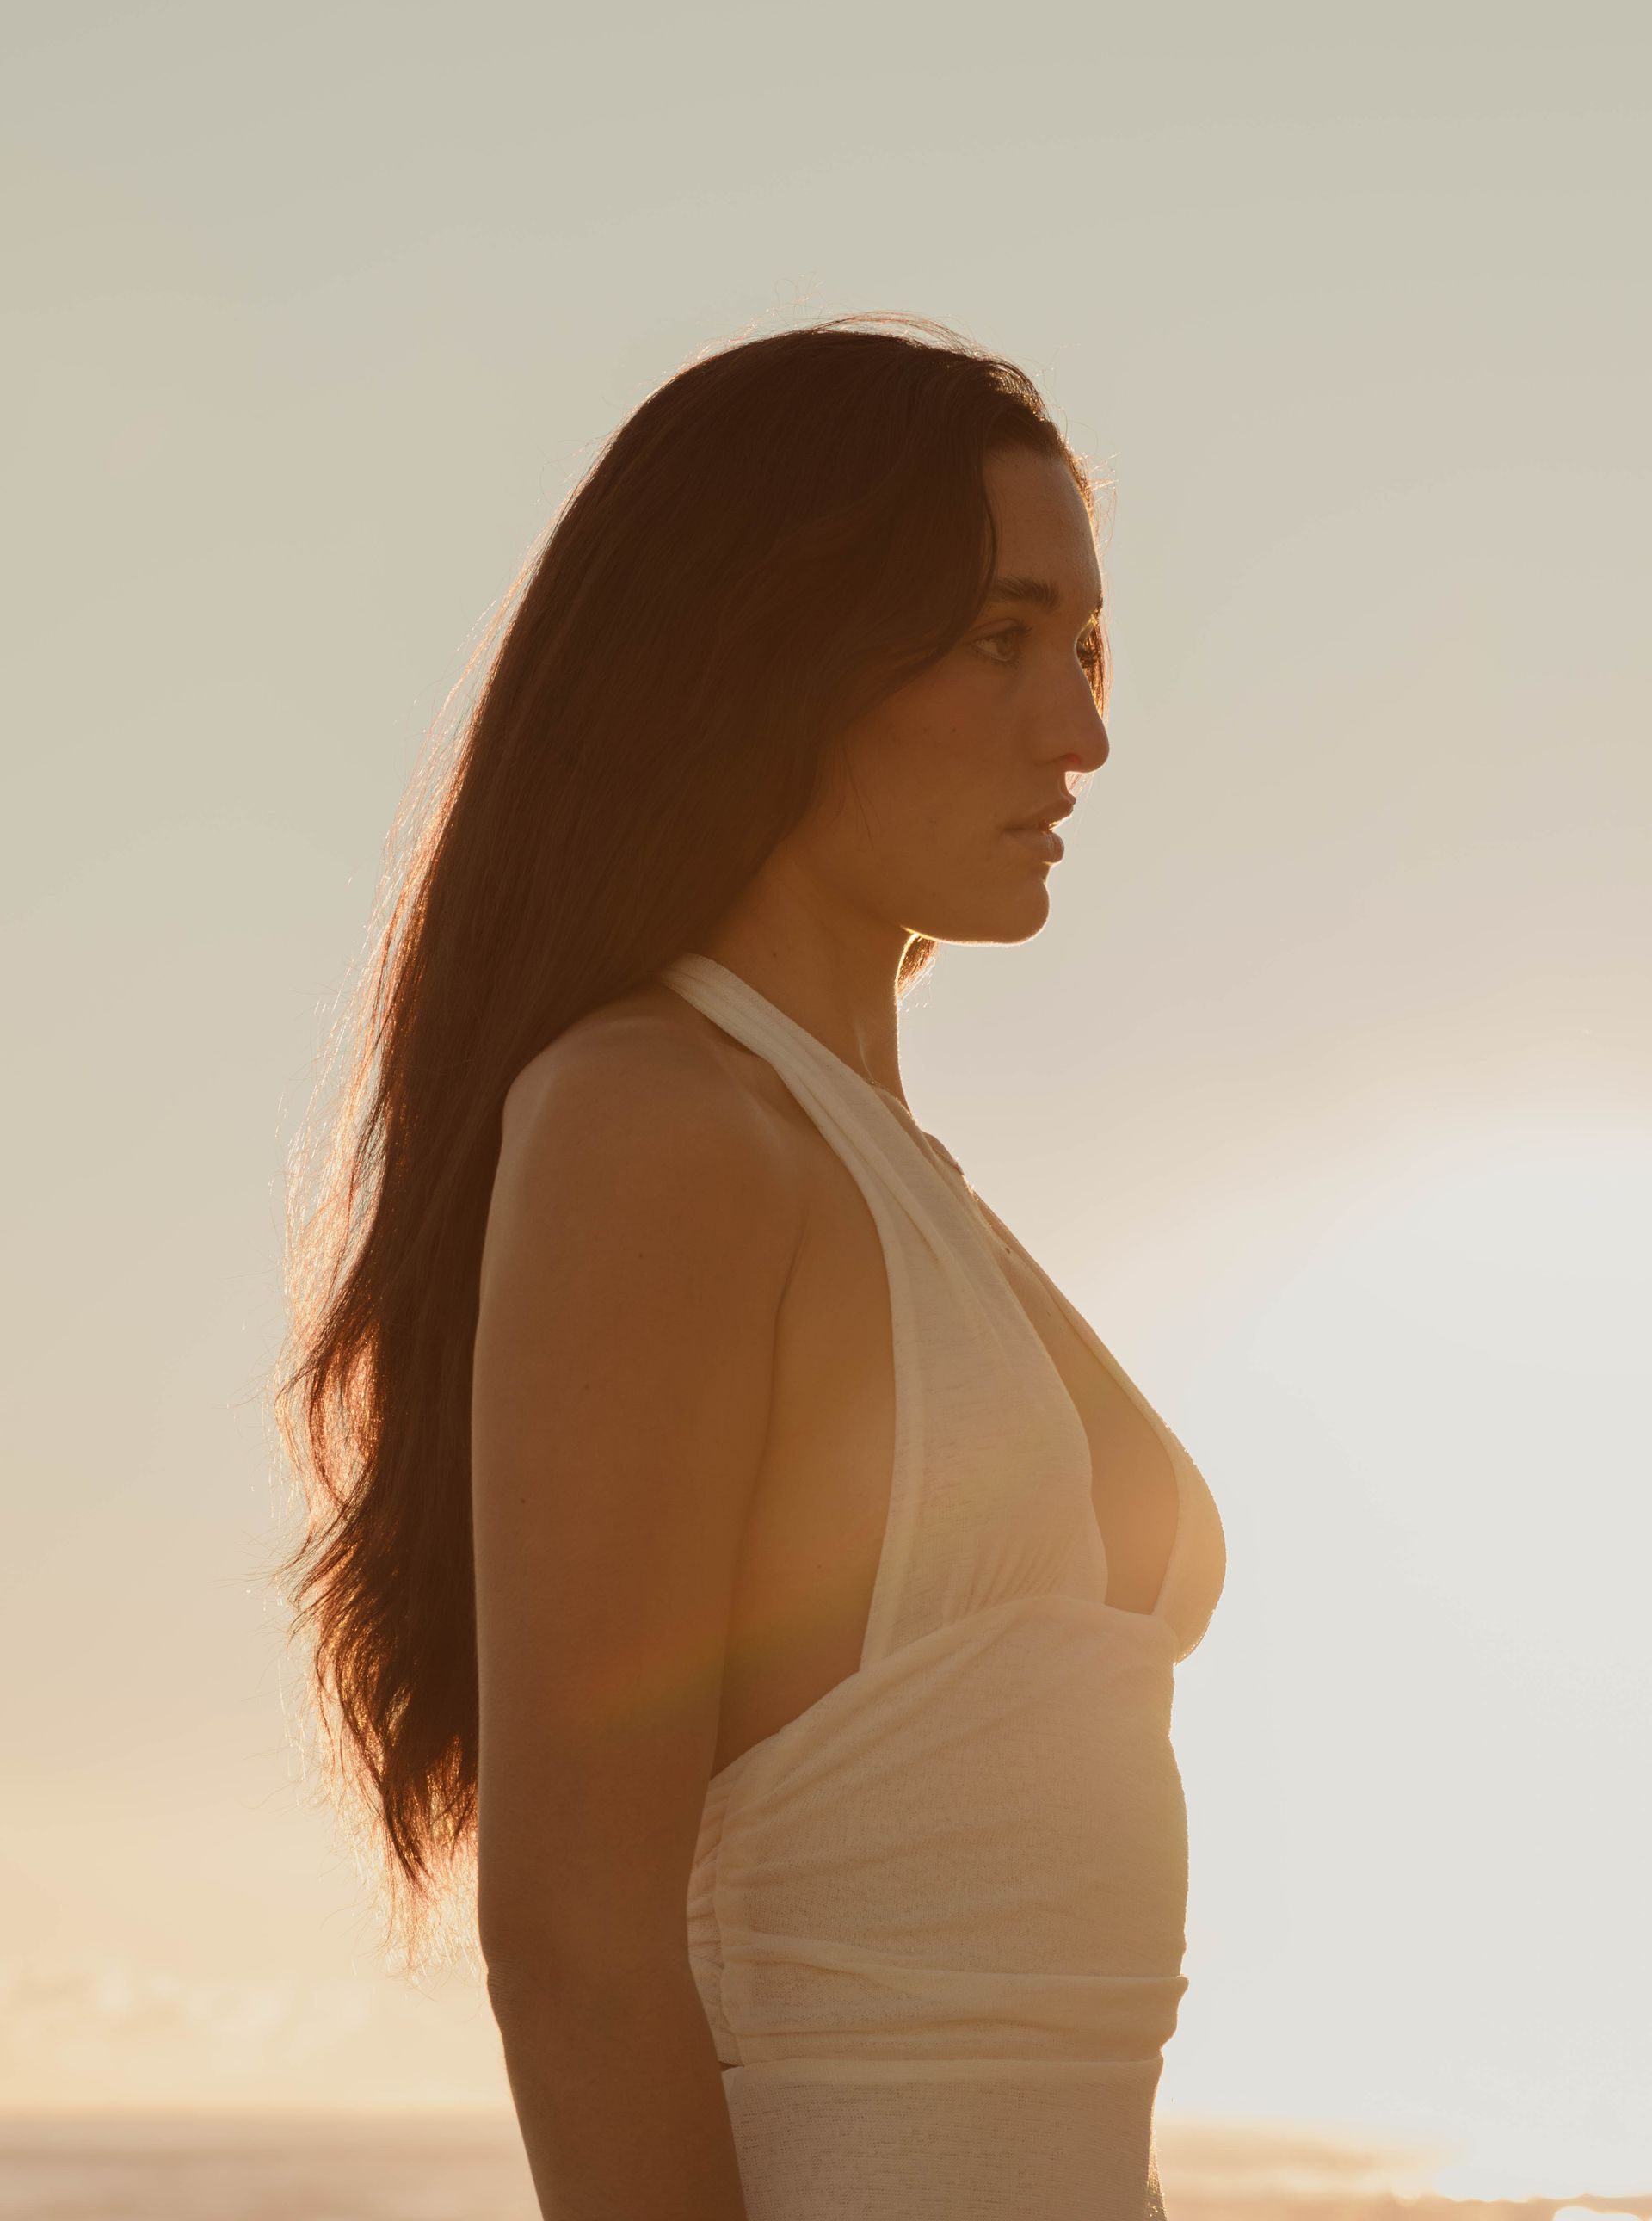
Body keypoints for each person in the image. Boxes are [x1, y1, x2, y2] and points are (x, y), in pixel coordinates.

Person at [276, 315, 1227, 2219]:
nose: (1085, 730)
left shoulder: (874, 1170)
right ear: (770, 656)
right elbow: (574, 1952)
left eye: (1091, 649)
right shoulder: (660, 1124)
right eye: (1001, 639)